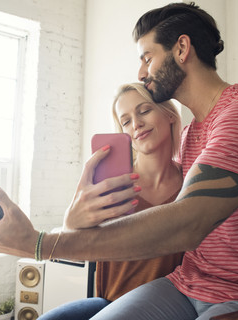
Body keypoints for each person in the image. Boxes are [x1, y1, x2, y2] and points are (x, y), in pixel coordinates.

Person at [0, 3, 238, 319]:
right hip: (189, 283)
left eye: (147, 57)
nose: (141, 71)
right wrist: (71, 222)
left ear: (181, 49)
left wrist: (39, 244)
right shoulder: (194, 133)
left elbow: (187, 224)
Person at [38, 83, 184, 320]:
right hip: (109, 304)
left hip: (168, 307)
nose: (136, 124)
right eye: (126, 121)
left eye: (144, 110)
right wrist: (71, 224)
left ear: (169, 114)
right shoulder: (111, 186)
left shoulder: (192, 186)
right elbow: (74, 247)